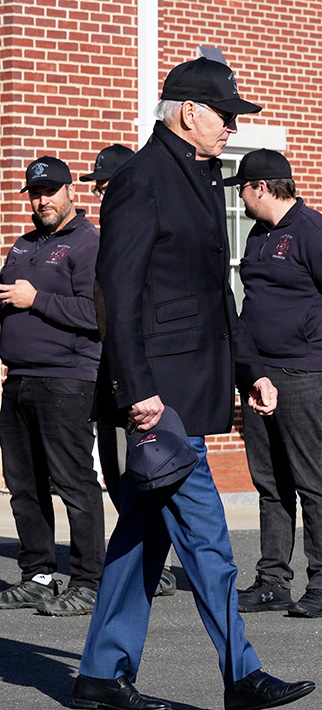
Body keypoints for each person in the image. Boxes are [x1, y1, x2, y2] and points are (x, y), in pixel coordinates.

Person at [72, 58, 314, 710]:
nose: (233, 127)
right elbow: (118, 295)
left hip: (193, 384)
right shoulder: (141, 181)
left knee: (142, 539)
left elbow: (212, 295)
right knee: (207, 540)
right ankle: (243, 675)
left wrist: (248, 369)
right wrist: (136, 388)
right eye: (227, 115)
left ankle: (99, 674)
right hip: (162, 396)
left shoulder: (199, 180)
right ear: (187, 111)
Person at [227, 149, 322, 618]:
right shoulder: (258, 235)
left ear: (261, 187)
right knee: (269, 482)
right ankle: (272, 581)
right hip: (259, 374)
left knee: (311, 482)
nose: (241, 198)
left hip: (305, 372)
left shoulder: (315, 234)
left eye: (243, 189)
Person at [0, 156, 105, 617]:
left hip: (68, 380)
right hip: (19, 378)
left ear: (69, 192)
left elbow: (96, 315)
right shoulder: (22, 246)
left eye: (50, 191)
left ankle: (88, 581)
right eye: (36, 193)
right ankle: (39, 575)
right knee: (22, 484)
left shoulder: (88, 245)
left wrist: (35, 299)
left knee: (74, 483)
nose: (42, 200)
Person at [82, 143, 176, 598]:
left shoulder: (134, 236)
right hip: (108, 374)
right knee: (117, 475)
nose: (100, 193)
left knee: (144, 473)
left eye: (104, 184)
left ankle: (157, 563)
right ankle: (148, 560)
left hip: (137, 378)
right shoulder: (111, 236)